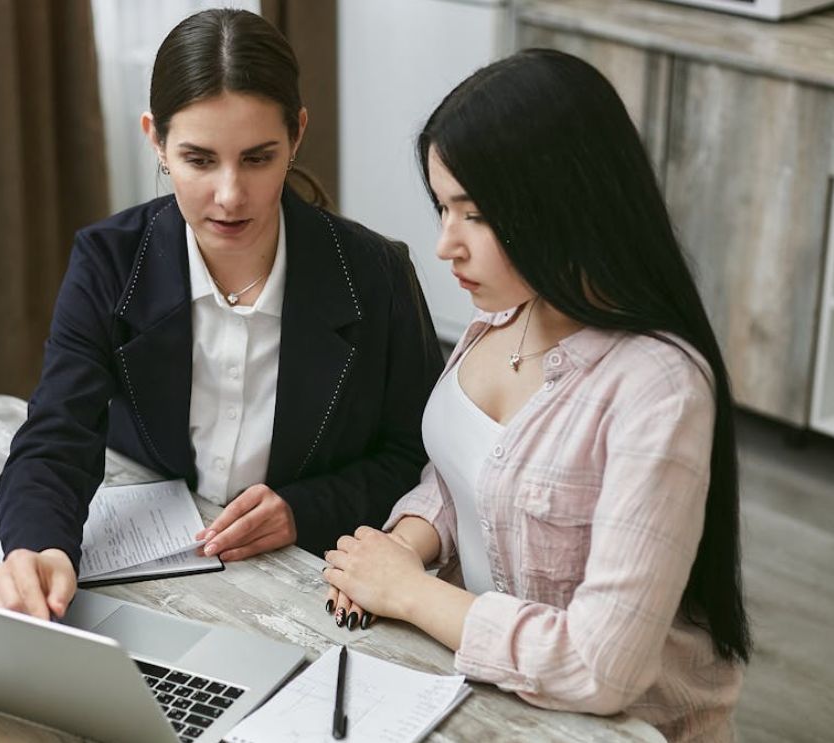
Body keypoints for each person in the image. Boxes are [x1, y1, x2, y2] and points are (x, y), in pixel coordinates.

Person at [321, 49, 751, 741]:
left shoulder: (657, 387)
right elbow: (465, 474)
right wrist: (404, 543)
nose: (444, 246)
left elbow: (598, 667)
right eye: (442, 208)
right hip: (481, 688)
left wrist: (410, 591)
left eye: (476, 215)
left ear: (563, 203)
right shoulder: (505, 311)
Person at [0, 9, 442, 621]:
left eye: (258, 158)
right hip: (154, 584)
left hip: (312, 588)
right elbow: (57, 435)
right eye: (200, 160)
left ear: (298, 135)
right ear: (156, 140)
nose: (230, 195)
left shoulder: (375, 274)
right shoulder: (109, 261)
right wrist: (37, 546)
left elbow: (413, 458)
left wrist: (303, 509)